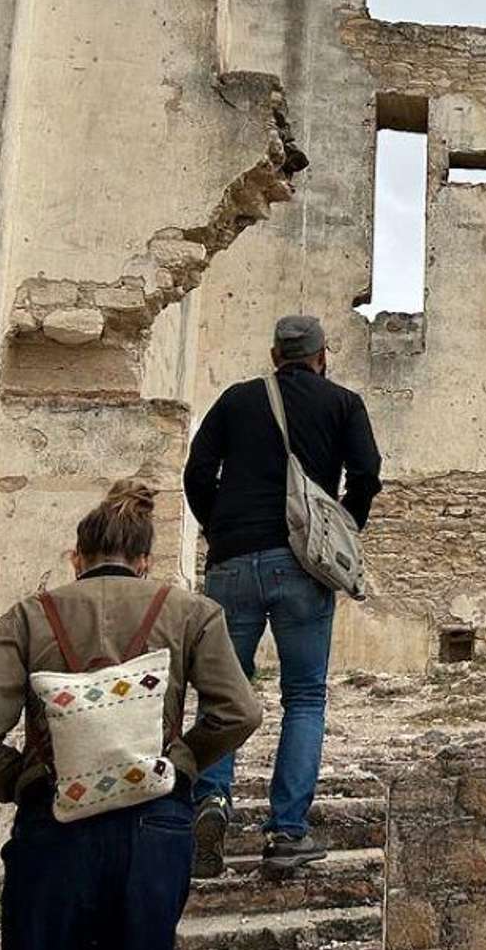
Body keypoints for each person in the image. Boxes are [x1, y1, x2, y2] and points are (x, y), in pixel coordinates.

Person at [0, 480, 262, 950]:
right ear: (145, 561)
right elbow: (239, 713)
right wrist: (177, 761)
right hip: (154, 822)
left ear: (76, 558)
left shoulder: (27, 618)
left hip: (55, 820)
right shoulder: (194, 613)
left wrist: (25, 781)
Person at [182, 314, 382, 877]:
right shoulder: (343, 404)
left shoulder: (236, 399)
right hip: (303, 564)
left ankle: (212, 800)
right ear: (322, 356)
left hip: (232, 562)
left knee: (224, 689)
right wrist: (343, 525)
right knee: (305, 697)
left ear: (275, 356)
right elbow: (367, 473)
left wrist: (219, 527)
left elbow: (197, 472)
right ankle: (287, 831)